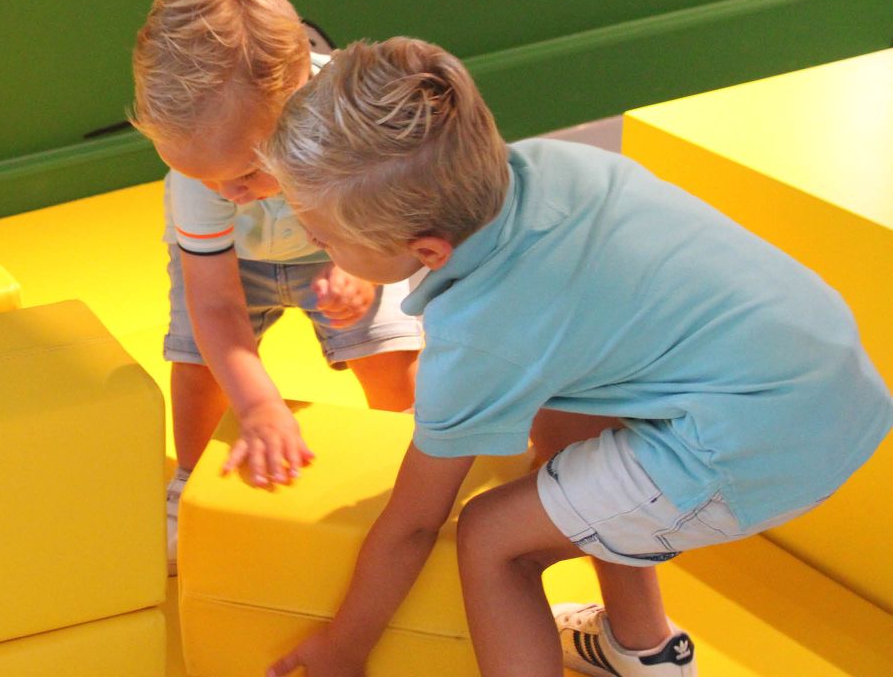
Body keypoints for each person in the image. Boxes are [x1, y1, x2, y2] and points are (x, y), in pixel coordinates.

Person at [257, 37, 893, 676]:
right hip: (828, 376)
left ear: (426, 252)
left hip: (754, 448)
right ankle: (642, 649)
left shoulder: (481, 337)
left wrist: (344, 647)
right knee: (562, 408)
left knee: (490, 539)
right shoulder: (549, 165)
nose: (308, 235)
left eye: (320, 231)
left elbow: (414, 525)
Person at [130, 0, 425, 575]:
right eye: (201, 175)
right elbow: (215, 305)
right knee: (195, 367)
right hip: (232, 258)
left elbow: (401, 220)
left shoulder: (353, 116)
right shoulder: (205, 171)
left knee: (394, 356)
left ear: (300, 115)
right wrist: (259, 404)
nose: (225, 193)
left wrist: (362, 271)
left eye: (243, 175)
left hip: (348, 241)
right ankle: (193, 483)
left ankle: (411, 471)